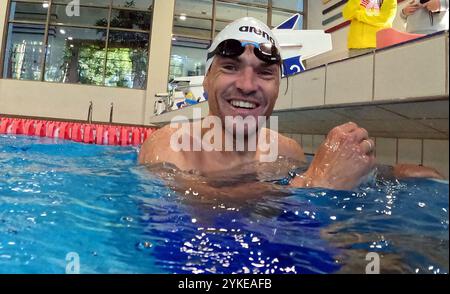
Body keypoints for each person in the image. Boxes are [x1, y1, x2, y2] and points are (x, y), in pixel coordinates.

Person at [139, 17, 442, 192]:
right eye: (230, 67)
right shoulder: (169, 146)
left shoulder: (287, 151)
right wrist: (315, 181)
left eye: (265, 72)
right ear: (206, 80)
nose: (247, 84)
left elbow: (345, 174)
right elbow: (192, 213)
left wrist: (394, 174)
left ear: (278, 87)